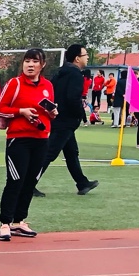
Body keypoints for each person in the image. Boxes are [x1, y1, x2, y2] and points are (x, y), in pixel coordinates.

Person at [0, 47, 53, 242]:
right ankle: (5, 222)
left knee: (31, 181)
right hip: (18, 139)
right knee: (15, 180)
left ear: (42, 65)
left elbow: (49, 110)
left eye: (35, 61)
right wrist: (21, 111)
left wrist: (53, 113)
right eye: (27, 61)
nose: (30, 65)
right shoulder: (15, 83)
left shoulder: (47, 86)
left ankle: (19, 220)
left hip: (41, 139)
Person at [36, 43, 99, 197]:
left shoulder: (59, 72)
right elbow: (73, 98)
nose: (87, 57)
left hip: (58, 117)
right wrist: (79, 114)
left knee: (71, 152)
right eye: (85, 55)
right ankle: (28, 183)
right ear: (77, 58)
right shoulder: (76, 74)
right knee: (50, 153)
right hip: (66, 121)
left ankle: (82, 182)